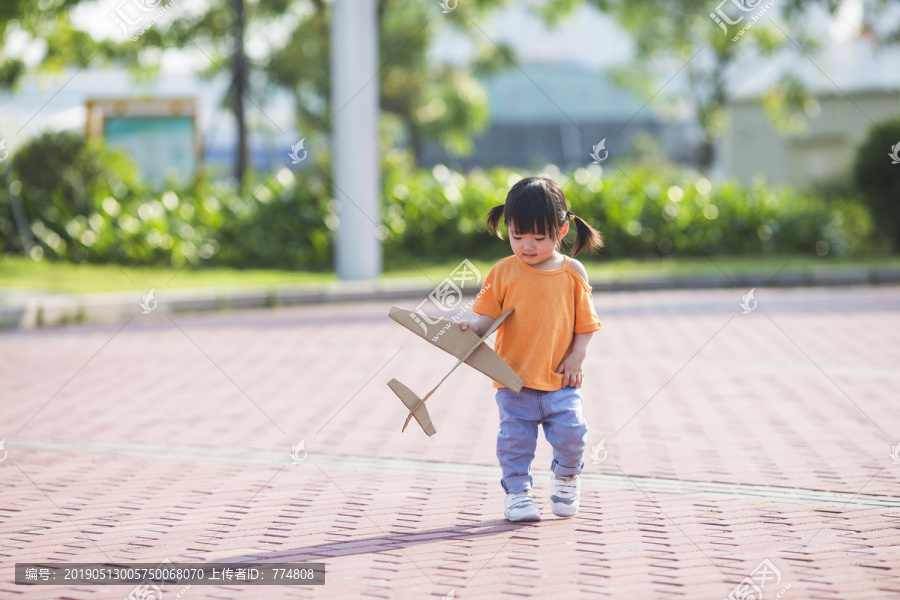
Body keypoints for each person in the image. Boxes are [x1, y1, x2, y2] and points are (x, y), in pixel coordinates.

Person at [460, 176, 603, 522]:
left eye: (538, 237)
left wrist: (576, 356)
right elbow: (485, 320)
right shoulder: (504, 271)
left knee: (573, 434)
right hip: (513, 381)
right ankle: (518, 494)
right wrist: (471, 331)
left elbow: (586, 326)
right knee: (514, 444)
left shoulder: (573, 273)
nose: (526, 245)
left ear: (562, 229)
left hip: (560, 380)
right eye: (517, 235)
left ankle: (567, 476)